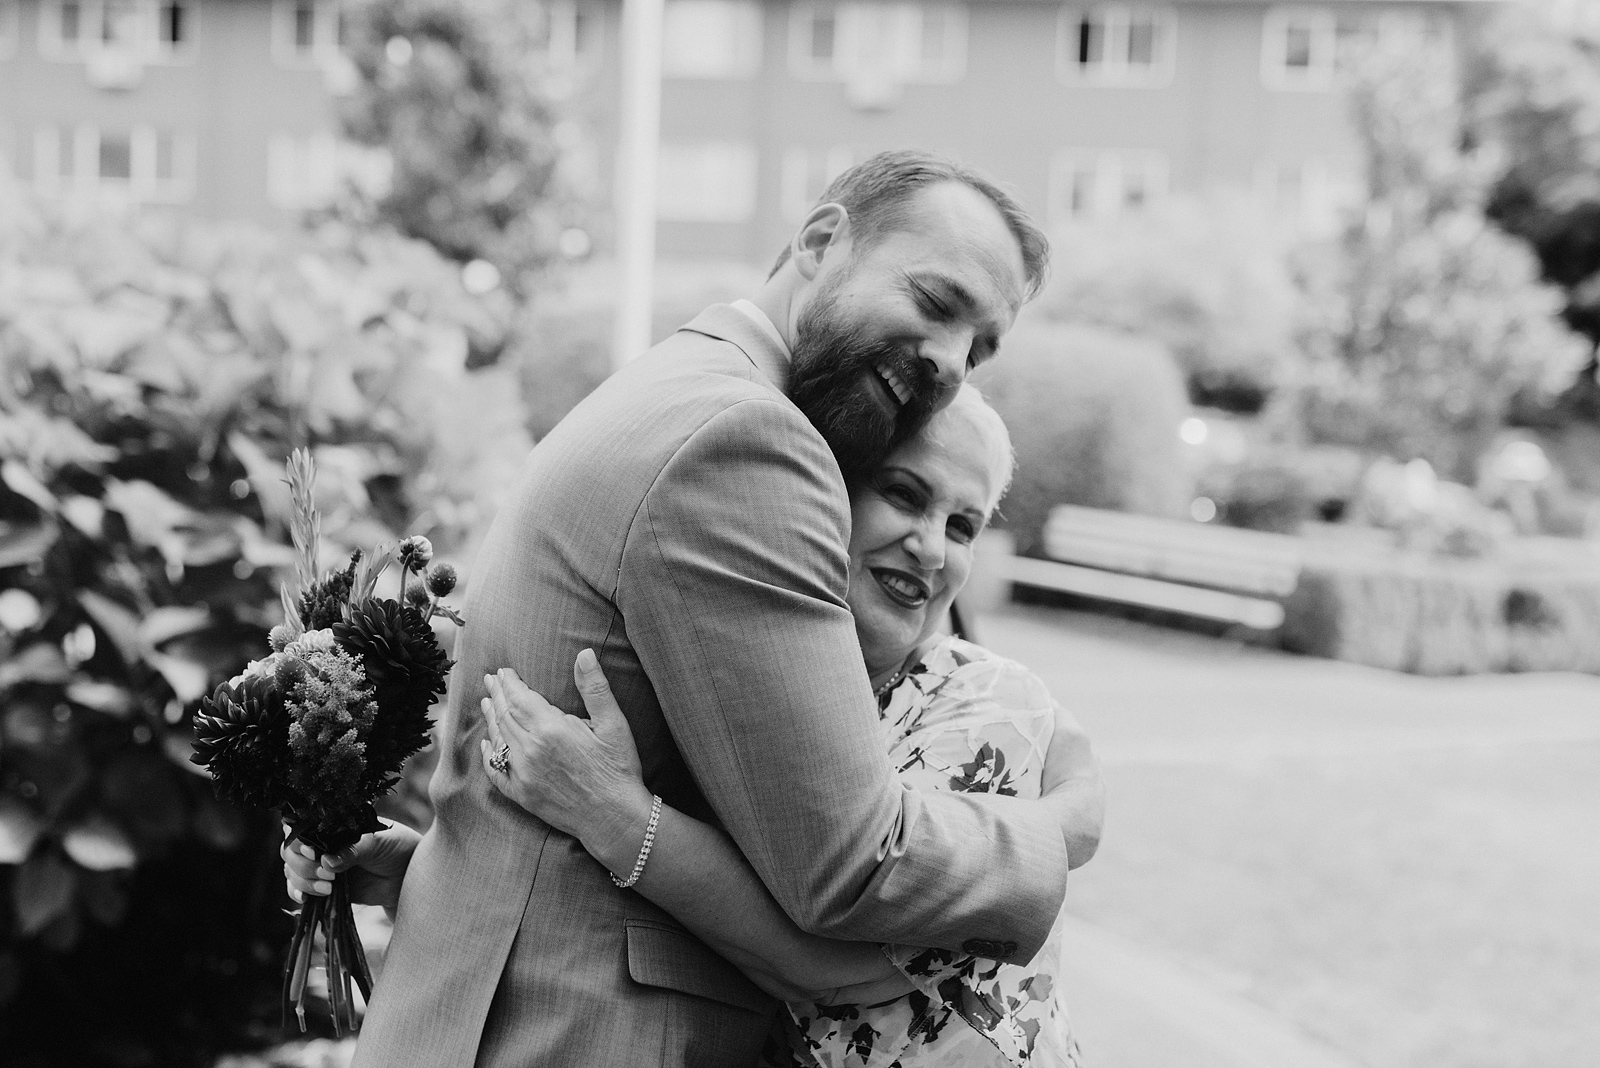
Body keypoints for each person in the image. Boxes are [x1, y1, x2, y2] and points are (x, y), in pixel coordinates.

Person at [284, 150, 1105, 1067]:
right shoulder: (747, 440)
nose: (950, 362)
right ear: (823, 241)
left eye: (981, 347)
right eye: (935, 301)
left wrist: (407, 858)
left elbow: (523, 813)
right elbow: (849, 868)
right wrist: (1064, 830)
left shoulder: (666, 386)